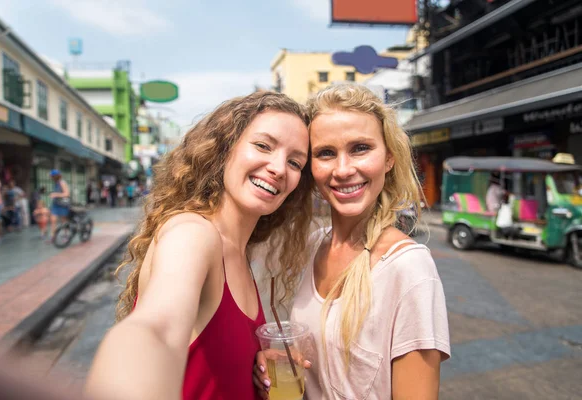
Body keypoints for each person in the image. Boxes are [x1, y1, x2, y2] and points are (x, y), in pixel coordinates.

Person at [85, 91, 313, 400]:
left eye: (295, 162)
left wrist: (252, 366)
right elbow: (156, 331)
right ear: (225, 148)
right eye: (263, 146)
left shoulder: (239, 251)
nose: (278, 167)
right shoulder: (194, 234)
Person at [254, 84, 451, 399]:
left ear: (388, 158)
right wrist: (277, 367)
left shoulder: (409, 268)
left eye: (360, 148)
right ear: (310, 168)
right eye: (326, 153)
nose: (343, 170)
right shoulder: (310, 246)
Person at [49, 170, 70, 239]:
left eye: (52, 176)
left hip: (62, 204)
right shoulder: (56, 183)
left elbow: (67, 193)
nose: (51, 178)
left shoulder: (62, 182)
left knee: (63, 220)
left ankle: (66, 234)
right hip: (56, 204)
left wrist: (56, 194)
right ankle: (53, 236)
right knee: (53, 220)